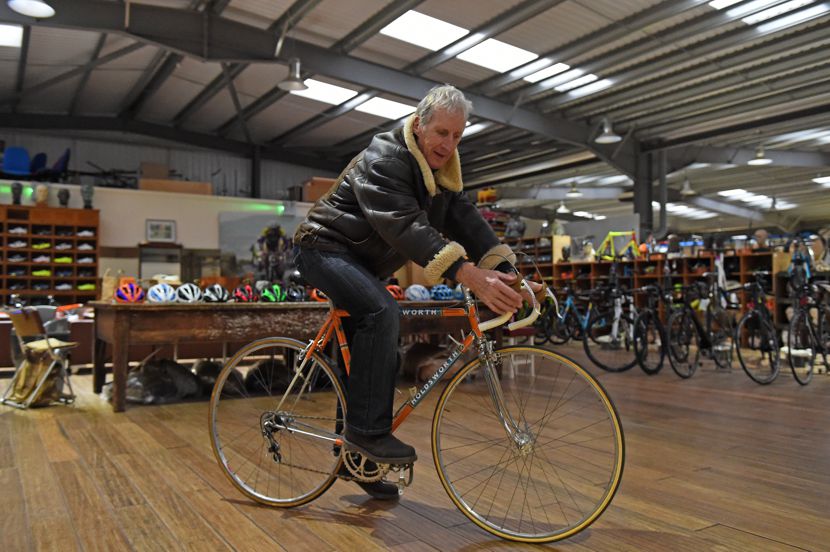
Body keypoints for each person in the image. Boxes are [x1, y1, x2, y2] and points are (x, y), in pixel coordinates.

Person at [294, 85, 529, 499]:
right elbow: (404, 225)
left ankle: (358, 462)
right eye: (442, 133)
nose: (448, 144)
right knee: (383, 313)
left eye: (457, 136)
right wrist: (466, 273)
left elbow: (467, 220)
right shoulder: (384, 158)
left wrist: (512, 275)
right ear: (419, 125)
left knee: (371, 355)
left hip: (360, 263)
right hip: (322, 247)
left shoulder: (441, 173)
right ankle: (368, 435)